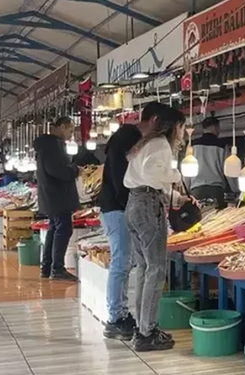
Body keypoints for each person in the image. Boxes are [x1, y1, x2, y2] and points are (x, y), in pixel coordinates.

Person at [124, 107, 194, 352]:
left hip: (134, 204)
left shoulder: (145, 143)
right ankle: (147, 332)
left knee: (144, 268)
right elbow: (152, 177)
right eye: (182, 127)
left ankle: (142, 327)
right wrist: (174, 174)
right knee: (156, 269)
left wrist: (175, 197)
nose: (183, 132)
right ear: (172, 126)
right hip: (147, 206)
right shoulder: (161, 145)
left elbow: (145, 180)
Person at [99, 103, 165, 340]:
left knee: (126, 264)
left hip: (117, 206)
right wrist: (132, 204)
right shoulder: (129, 136)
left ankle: (120, 315)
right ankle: (115, 318)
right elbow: (122, 177)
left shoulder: (127, 136)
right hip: (117, 208)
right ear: (155, 119)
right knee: (121, 263)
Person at [33, 117, 80, 281]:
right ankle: (57, 268)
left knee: (54, 229)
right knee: (63, 229)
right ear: (61, 127)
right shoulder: (52, 146)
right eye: (70, 130)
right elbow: (57, 170)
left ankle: (47, 267)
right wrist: (74, 171)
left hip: (52, 195)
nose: (71, 135)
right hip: (58, 196)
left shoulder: (48, 145)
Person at [184, 116, 237, 209]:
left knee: (198, 220)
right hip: (216, 191)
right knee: (217, 221)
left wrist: (186, 190)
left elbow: (186, 171)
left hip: (196, 191)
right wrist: (235, 189)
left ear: (203, 128)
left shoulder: (192, 146)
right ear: (216, 127)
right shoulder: (223, 146)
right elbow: (228, 171)